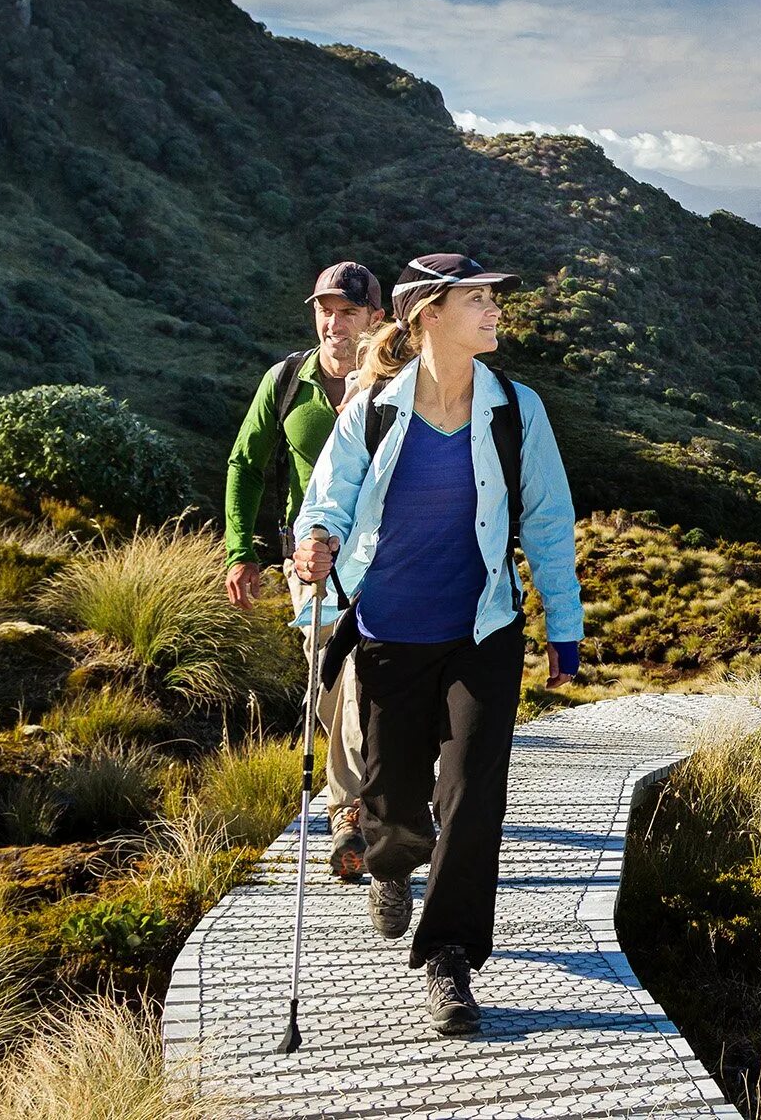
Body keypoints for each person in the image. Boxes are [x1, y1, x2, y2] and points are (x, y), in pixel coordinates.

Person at [290, 252, 583, 1037]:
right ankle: (389, 859)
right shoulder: (374, 412)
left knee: (472, 795)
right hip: (388, 634)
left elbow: (549, 521)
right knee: (393, 801)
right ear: (429, 315)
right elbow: (324, 507)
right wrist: (313, 543)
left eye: (494, 298)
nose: (495, 312)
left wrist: (565, 624)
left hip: (481, 632)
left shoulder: (516, 409)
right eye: (478, 300)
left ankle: (449, 958)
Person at [223, 262, 383, 879]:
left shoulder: (399, 382)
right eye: (325, 310)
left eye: (348, 311)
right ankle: (352, 809)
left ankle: (368, 796)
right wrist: (242, 550)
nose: (334, 323)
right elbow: (246, 462)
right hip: (310, 558)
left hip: (388, 559)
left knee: (373, 675)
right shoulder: (288, 381)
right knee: (332, 671)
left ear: (376, 318)